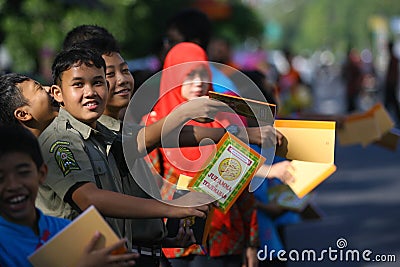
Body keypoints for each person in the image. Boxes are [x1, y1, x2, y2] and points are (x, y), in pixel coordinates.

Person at [36, 48, 214, 267]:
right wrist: (173, 208)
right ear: (57, 93)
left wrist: (166, 240)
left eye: (98, 82)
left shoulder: (101, 135)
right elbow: (90, 198)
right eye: (78, 84)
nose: (90, 92)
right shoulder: (60, 139)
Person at [145, 42, 294, 267]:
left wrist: (252, 242)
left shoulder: (225, 119)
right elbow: (147, 189)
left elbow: (243, 187)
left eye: (202, 73)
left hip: (225, 238)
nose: (197, 82)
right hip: (175, 241)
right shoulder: (152, 126)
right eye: (188, 75)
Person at [0, 125, 138, 267]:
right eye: (1, 178)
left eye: (23, 173)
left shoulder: (69, 231)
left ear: (42, 174)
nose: (13, 185)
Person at [384, 40, 400, 125]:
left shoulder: (393, 59)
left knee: (391, 104)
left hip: (391, 85)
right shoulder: (393, 58)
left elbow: (393, 74)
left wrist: (392, 82)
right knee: (391, 104)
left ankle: (384, 120)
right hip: (390, 84)